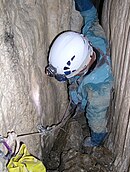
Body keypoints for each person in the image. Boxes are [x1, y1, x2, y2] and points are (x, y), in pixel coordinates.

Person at [45, 0, 113, 147]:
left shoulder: (99, 89)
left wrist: (96, 139)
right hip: (81, 84)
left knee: (85, 108)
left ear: (80, 67)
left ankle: (77, 108)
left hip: (83, 97)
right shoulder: (93, 35)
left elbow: (97, 117)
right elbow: (91, 16)